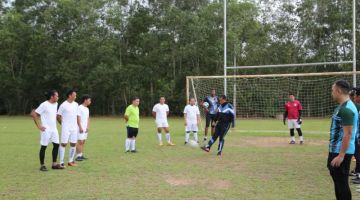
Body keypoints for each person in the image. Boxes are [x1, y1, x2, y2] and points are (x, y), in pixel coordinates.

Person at [327, 80, 358, 200]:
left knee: (342, 183)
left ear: (338, 90)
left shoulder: (347, 109)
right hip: (335, 149)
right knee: (338, 181)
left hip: (341, 152)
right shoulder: (341, 107)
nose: (332, 92)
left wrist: (341, 155)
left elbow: (348, 134)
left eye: (333, 90)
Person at [31, 90, 64, 171]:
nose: (58, 97)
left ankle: (54, 164)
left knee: (56, 145)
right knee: (44, 146)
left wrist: (62, 123)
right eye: (57, 95)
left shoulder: (56, 104)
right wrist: (39, 125)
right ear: (52, 96)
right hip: (46, 129)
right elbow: (34, 114)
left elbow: (55, 115)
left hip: (54, 129)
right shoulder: (44, 104)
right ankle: (42, 165)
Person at [57, 90, 79, 167]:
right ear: (70, 96)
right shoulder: (63, 105)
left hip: (74, 127)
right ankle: (61, 162)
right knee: (63, 144)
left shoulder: (76, 104)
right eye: (74, 95)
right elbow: (58, 116)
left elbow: (76, 116)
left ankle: (70, 161)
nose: (76, 97)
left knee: (73, 144)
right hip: (66, 128)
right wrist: (63, 124)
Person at [75, 95, 91, 161]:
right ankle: (78, 156)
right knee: (80, 141)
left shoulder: (87, 109)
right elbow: (78, 118)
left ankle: (81, 155)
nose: (90, 102)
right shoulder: (79, 107)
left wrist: (87, 126)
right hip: (80, 128)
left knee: (83, 141)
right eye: (89, 100)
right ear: (85, 100)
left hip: (85, 128)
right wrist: (80, 127)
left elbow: (87, 118)